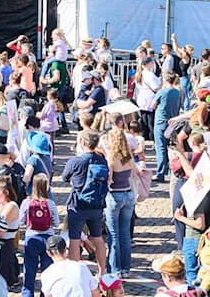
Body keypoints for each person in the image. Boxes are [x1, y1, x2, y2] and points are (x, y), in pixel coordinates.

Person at [62, 130, 108, 275]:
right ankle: (102, 271)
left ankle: (74, 273)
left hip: (78, 205)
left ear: (82, 143)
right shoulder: (102, 160)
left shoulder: (75, 161)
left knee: (74, 240)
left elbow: (64, 177)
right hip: (97, 205)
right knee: (98, 238)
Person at [104, 125, 138, 278]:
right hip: (128, 194)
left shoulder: (111, 158)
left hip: (115, 195)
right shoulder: (128, 156)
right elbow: (135, 173)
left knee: (113, 234)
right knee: (125, 233)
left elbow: (108, 179)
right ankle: (126, 268)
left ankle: (115, 269)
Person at [20, 174, 61, 297]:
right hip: (48, 239)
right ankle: (45, 293)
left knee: (29, 269)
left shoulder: (27, 202)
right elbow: (57, 223)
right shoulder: (51, 203)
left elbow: (21, 221)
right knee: (47, 270)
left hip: (31, 238)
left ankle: (27, 293)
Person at [153, 73, 183, 183]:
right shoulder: (177, 92)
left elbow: (152, 105)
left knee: (160, 147)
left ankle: (160, 173)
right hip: (173, 122)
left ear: (165, 80)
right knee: (171, 147)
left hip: (161, 121)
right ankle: (173, 170)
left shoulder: (162, 92)